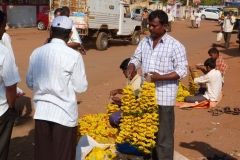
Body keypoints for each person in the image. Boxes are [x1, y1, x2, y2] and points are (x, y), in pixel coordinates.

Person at [125, 10, 188, 160]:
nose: (150, 29)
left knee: (163, 138)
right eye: (149, 25)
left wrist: (160, 78)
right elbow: (136, 57)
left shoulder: (175, 46)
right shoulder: (144, 42)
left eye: (154, 26)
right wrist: (132, 65)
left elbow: (181, 71)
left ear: (164, 26)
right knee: (147, 135)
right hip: (146, 97)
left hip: (164, 98)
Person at [26, 16, 88, 160]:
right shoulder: (74, 56)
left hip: (42, 112)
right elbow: (80, 87)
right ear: (70, 34)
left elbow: (30, 82)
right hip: (64, 114)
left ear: (50, 31)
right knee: (63, 155)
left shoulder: (37, 52)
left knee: (43, 154)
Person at [0, 10, 21, 159]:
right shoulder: (3, 53)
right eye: (3, 25)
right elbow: (11, 86)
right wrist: (12, 108)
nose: (5, 29)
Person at [109, 58, 141, 127]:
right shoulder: (130, 79)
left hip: (135, 109)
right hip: (128, 104)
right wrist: (118, 91)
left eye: (124, 71)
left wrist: (120, 101)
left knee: (113, 118)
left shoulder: (138, 83)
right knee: (113, 105)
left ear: (130, 69)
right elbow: (129, 92)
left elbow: (135, 102)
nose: (123, 73)